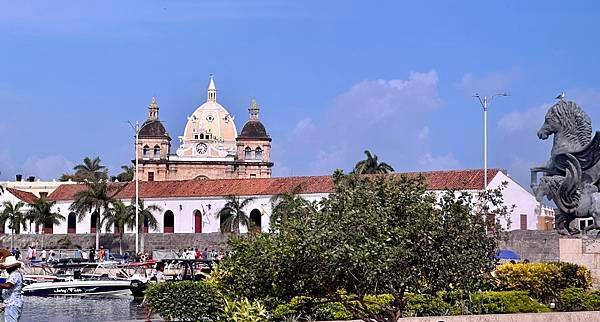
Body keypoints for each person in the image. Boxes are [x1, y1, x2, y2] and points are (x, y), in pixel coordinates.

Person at [0, 256, 24, 322]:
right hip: (11, 302)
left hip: (13, 303)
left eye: (7, 268)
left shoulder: (15, 274)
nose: (6, 270)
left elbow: (8, 285)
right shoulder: (15, 274)